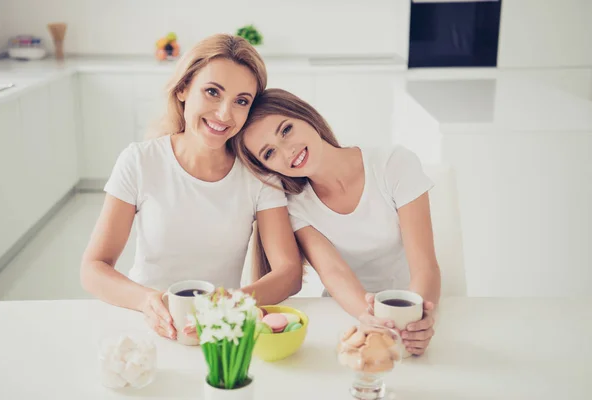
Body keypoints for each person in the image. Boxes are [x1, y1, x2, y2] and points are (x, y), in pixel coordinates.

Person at [81, 36, 303, 341]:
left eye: (241, 101)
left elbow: (289, 272)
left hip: (219, 330)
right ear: (183, 88)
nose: (224, 114)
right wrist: (147, 301)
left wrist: (232, 305)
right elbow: (93, 268)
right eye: (212, 92)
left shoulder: (258, 176)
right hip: (144, 321)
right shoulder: (140, 161)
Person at [232, 88, 441, 355]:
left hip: (413, 305)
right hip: (347, 316)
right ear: (267, 168)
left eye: (286, 130)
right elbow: (334, 273)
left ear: (306, 116)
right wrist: (370, 318)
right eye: (269, 153)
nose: (287, 151)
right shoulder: (296, 206)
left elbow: (425, 266)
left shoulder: (393, 164)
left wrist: (416, 319)